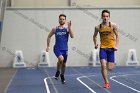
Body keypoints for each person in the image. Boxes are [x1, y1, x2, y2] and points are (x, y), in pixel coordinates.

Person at [93, 10, 119, 88]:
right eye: (104, 16)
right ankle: (106, 82)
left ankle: (109, 65)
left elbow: (117, 36)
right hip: (103, 48)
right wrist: (95, 44)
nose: (105, 18)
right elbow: (94, 36)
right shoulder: (98, 27)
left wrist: (116, 46)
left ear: (109, 17)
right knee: (103, 66)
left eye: (107, 16)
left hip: (111, 49)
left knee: (110, 68)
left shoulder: (113, 25)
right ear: (102, 17)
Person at [46, 14, 74, 84]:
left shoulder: (67, 29)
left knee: (64, 64)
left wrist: (70, 27)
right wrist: (48, 46)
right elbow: (49, 36)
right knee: (61, 59)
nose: (62, 20)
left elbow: (72, 36)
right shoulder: (55, 29)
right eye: (60, 19)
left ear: (65, 20)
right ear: (58, 20)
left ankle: (62, 75)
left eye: (63, 19)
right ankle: (58, 71)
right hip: (57, 48)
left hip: (65, 49)